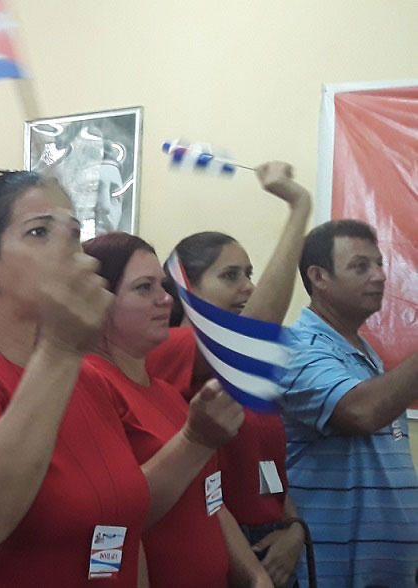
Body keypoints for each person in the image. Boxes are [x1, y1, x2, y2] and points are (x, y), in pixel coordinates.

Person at [0, 171, 154, 585]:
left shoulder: (90, 377)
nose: (66, 249)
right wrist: (60, 350)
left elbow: (124, 530)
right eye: (39, 232)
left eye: (73, 234)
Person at [147, 161, 312, 587]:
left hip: (274, 547)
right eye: (230, 275)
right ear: (187, 288)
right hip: (221, 549)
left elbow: (271, 469)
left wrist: (292, 529)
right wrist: (299, 207)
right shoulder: (168, 352)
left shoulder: (251, 372)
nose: (249, 288)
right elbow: (251, 335)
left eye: (249, 275)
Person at [83, 232, 271, 587]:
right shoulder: (89, 385)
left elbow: (210, 498)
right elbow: (112, 516)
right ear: (99, 302)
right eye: (144, 288)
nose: (165, 300)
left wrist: (256, 576)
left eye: (163, 286)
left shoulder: (169, 394)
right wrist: (194, 442)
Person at [278, 219, 418, 587]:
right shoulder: (299, 348)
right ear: (319, 278)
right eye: (361, 266)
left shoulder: (363, 353)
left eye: (379, 264)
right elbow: (360, 412)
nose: (379, 276)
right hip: (327, 573)